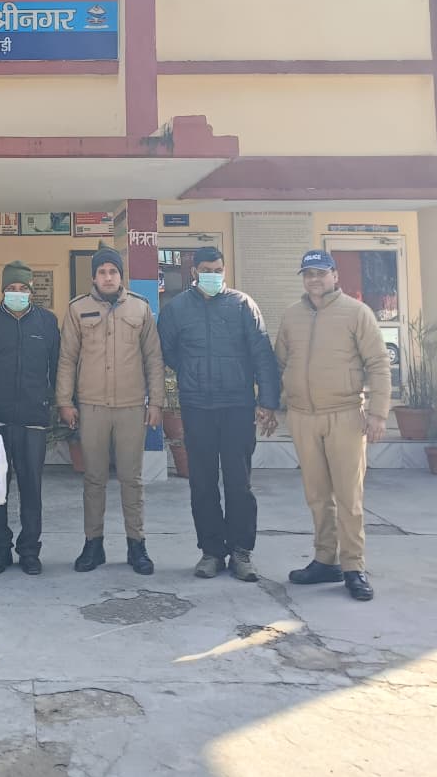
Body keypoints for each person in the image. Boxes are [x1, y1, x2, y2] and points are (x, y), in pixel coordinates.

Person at [157, 247, 279, 582]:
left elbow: (262, 353)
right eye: (207, 269)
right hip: (197, 407)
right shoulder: (177, 309)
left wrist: (267, 401)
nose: (213, 274)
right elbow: (167, 349)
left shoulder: (242, 305)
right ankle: (211, 552)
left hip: (237, 406)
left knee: (239, 483)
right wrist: (191, 372)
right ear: (194, 272)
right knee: (202, 483)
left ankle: (241, 551)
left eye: (218, 269)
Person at [275, 250, 391, 602]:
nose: (314, 279)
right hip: (303, 417)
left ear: (335, 276)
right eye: (308, 273)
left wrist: (378, 413)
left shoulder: (357, 313)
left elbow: (378, 363)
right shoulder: (292, 315)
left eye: (321, 273)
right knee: (317, 495)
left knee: (348, 496)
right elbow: (280, 363)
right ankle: (325, 560)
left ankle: (353, 566)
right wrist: (273, 406)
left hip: (344, 415)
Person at [55, 243, 165, 574]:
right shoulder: (77, 309)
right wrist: (64, 401)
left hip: (131, 407)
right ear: (94, 277)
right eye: (102, 272)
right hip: (92, 407)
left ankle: (137, 545)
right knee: (94, 479)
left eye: (113, 271)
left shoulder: (140, 308)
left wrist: (156, 402)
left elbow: (153, 358)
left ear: (121, 276)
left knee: (132, 479)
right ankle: (93, 544)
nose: (107, 277)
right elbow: (67, 358)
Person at [0, 260, 60, 575]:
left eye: (22, 288)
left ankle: (29, 551)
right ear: (2, 290)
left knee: (31, 489)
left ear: (31, 290)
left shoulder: (47, 322)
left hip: (33, 420)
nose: (17, 293)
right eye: (11, 288)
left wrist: (53, 399)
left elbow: (58, 365)